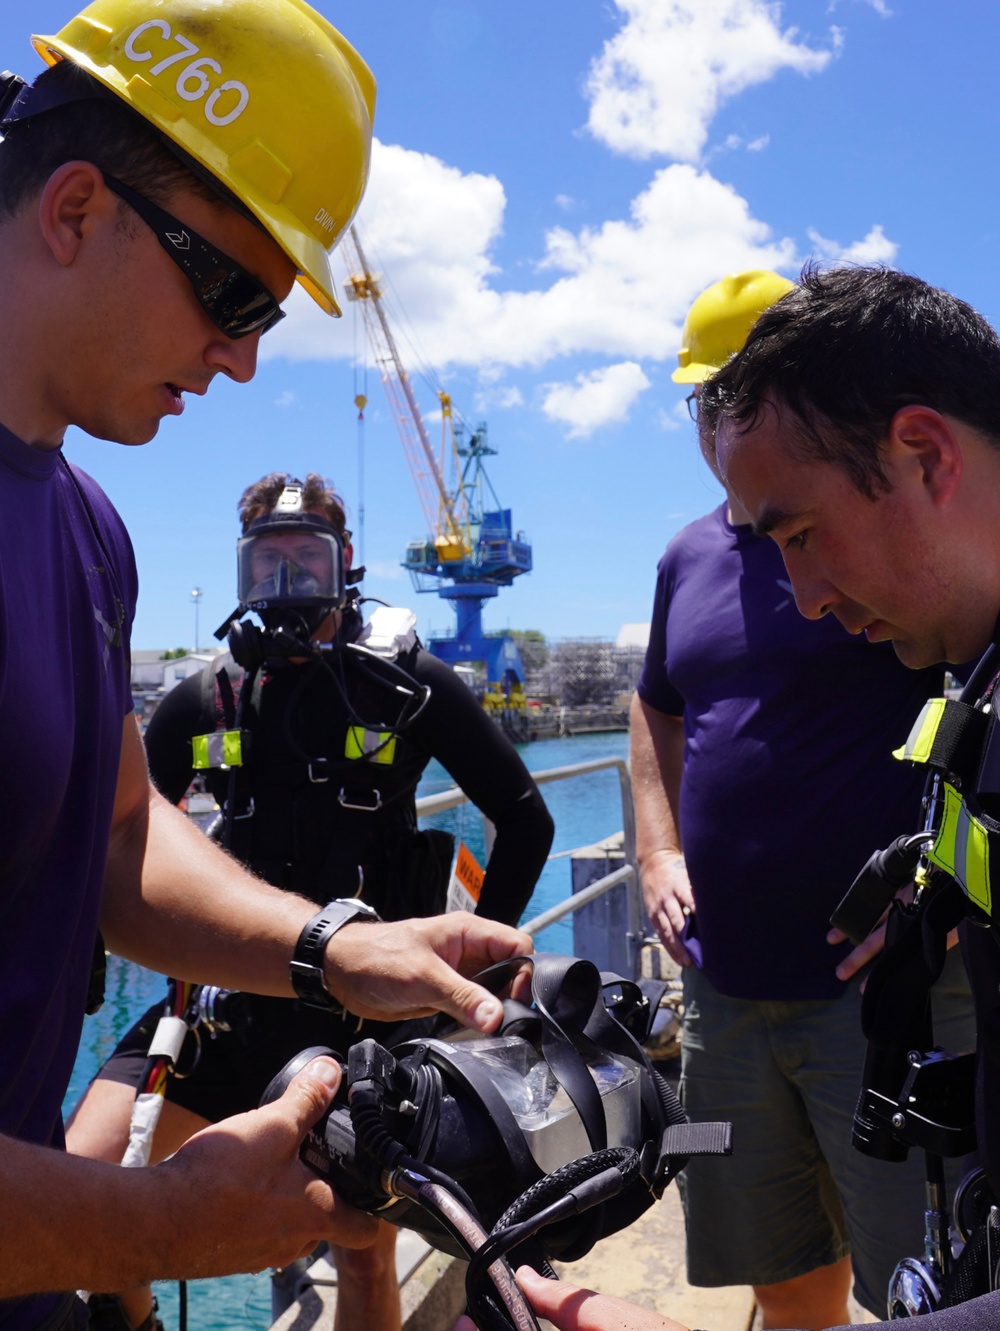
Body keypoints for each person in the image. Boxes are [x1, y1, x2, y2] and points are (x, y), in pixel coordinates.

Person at [0, 4, 533, 1328]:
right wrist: (154, 1219)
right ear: (74, 210)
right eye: (233, 293)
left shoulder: (85, 532)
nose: (241, 358)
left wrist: (333, 945)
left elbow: (121, 839)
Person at [68, 470, 554, 1331]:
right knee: (85, 1179)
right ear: (242, 571)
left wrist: (455, 971)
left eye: (307, 559)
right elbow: (125, 836)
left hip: (367, 1021)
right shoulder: (203, 697)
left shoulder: (407, 686)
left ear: (345, 564)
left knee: (360, 1241)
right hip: (227, 1004)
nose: (287, 583)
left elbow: (524, 819)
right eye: (268, 564)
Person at [631, 272, 974, 1328]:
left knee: (921, 1285)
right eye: (704, 395)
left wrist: (953, 890)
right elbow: (654, 708)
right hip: (726, 993)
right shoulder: (685, 555)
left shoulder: (898, 545)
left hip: (880, 999)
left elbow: (971, 696)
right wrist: (654, 850)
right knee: (779, 1277)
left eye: (739, 386)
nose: (716, 416)